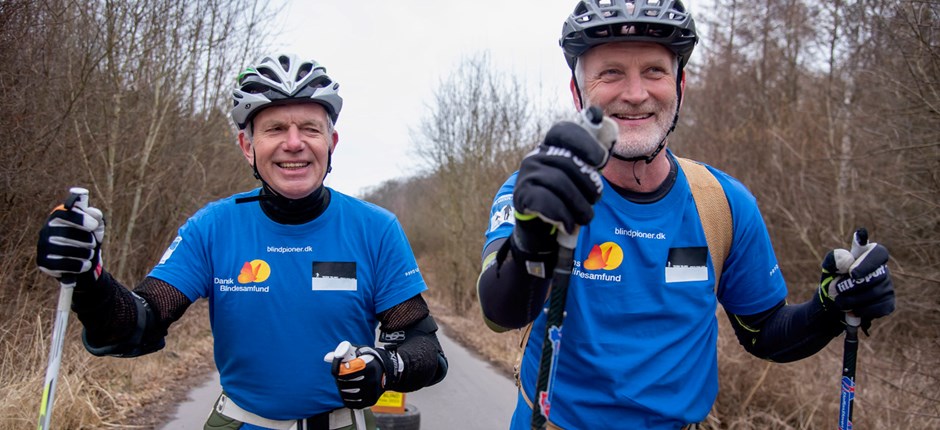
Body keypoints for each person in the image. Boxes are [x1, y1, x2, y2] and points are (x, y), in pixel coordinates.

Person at [476, 1, 895, 429]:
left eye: (654, 71)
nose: (636, 94)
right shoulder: (539, 193)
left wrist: (830, 307)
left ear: (681, 83)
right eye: (611, 72)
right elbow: (500, 313)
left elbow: (764, 332)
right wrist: (533, 236)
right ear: (577, 90)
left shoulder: (721, 203)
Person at [36, 53, 447, 430]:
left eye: (309, 128)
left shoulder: (375, 228)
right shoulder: (212, 227)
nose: (293, 143)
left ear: (331, 143)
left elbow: (423, 346)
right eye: (274, 129)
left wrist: (386, 365)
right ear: (247, 146)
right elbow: (135, 325)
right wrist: (89, 278)